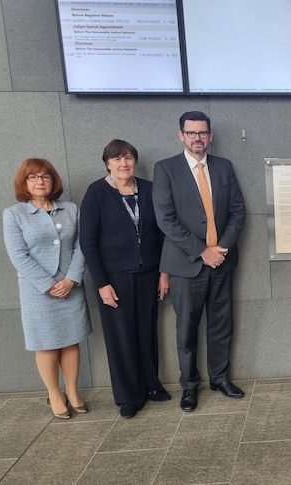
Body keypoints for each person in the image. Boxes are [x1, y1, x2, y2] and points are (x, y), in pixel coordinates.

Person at [153, 111, 247, 412]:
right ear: (181, 135)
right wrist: (201, 251)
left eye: (202, 133)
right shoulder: (166, 169)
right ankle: (190, 386)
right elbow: (165, 220)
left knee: (221, 325)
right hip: (186, 265)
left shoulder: (223, 167)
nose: (197, 138)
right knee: (187, 330)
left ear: (210, 136)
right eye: (191, 133)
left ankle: (220, 379)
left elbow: (237, 212)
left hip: (221, 262)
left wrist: (220, 249)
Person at [80, 140, 171, 418]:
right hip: (114, 278)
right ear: (107, 163)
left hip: (149, 273)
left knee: (146, 331)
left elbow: (165, 233)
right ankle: (128, 396)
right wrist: (101, 283)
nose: (123, 164)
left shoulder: (150, 189)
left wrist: (164, 272)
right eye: (117, 159)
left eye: (128, 158)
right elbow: (88, 242)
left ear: (135, 161)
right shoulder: (96, 193)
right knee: (121, 337)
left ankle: (150, 386)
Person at [3, 159, 92, 419]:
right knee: (48, 344)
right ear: (24, 182)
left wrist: (72, 278)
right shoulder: (14, 214)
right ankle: (54, 393)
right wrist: (49, 285)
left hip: (70, 285)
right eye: (33, 177)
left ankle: (73, 391)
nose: (40, 182)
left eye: (45, 177)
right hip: (38, 290)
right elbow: (19, 256)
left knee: (71, 340)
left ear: (54, 181)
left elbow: (81, 245)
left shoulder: (70, 209)